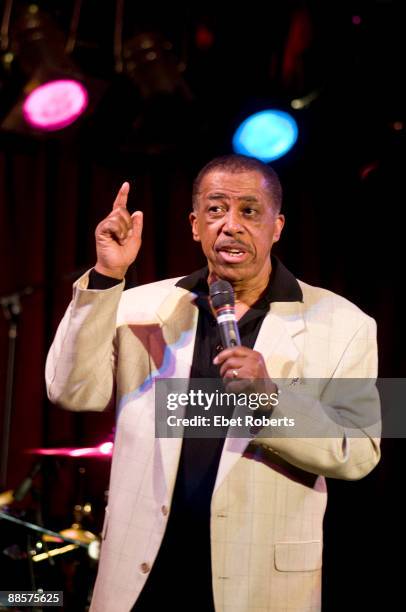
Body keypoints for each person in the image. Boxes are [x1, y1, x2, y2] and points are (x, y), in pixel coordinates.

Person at [46, 155, 380, 612]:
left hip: (259, 586)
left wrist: (271, 399)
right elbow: (69, 390)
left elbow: (360, 450)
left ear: (276, 226)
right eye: (216, 209)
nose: (230, 225)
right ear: (194, 224)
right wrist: (107, 278)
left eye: (249, 211)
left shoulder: (347, 323)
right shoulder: (139, 306)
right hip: (142, 577)